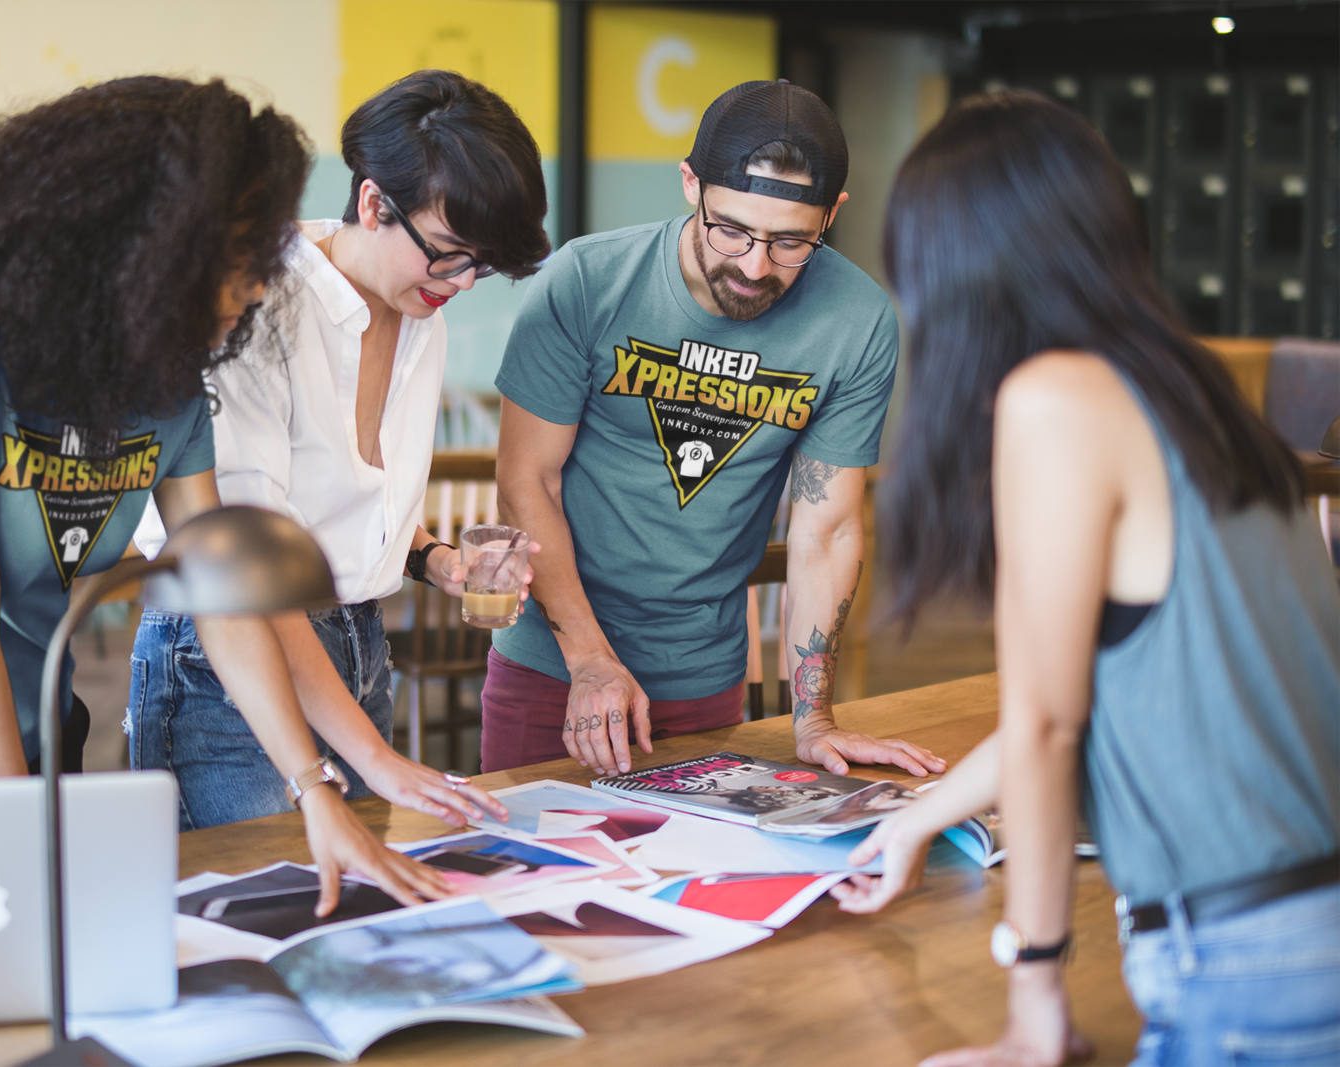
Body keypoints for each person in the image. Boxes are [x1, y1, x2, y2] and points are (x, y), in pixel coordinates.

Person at [0, 76, 448, 912]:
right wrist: (19, 842)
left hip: (41, 731)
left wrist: (314, 787)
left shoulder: (168, 389)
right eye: (239, 260)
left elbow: (225, 601)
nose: (259, 287)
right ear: (148, 247)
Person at [826, 91, 1340, 1066]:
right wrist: (917, 821)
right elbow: (1083, 698)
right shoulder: (1191, 390)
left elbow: (1047, 727)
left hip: (1243, 961)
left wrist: (1034, 1000)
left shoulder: (1053, 398)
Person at [484, 79, 946, 781]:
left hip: (704, 676)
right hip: (553, 668)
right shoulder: (586, 281)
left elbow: (826, 531)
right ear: (690, 185)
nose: (755, 266)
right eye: (731, 229)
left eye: (792, 241)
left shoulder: (857, 321)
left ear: (832, 214)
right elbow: (527, 482)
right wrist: (590, 661)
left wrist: (813, 718)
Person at [130, 70, 548, 828]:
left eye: (480, 264)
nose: (462, 282)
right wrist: (377, 758)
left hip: (359, 641)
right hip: (227, 655)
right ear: (374, 202)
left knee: (350, 892)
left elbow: (348, 503)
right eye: (448, 252)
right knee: (258, 890)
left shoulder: (420, 312)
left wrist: (436, 561)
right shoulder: (254, 305)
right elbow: (250, 569)